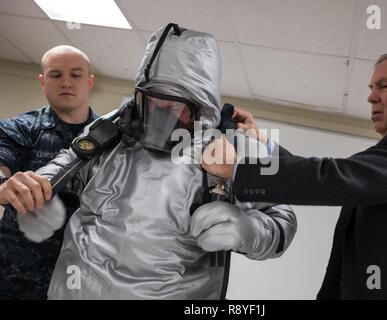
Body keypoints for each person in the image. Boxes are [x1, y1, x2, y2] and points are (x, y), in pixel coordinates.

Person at [25, 24, 296, 299]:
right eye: (153, 101)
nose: (161, 112)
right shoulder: (112, 129)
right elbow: (68, 164)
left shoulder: (231, 150)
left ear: (202, 107)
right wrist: (41, 194)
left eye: (175, 105)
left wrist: (247, 231)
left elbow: (281, 219)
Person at [202, 51, 387, 299]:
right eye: (372, 87)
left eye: (384, 86)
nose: (371, 96)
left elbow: (334, 177)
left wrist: (238, 170)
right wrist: (264, 143)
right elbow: (339, 177)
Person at [0, 45, 97, 299]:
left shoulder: (113, 142)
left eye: (75, 75)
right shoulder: (22, 129)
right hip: (14, 277)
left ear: (89, 81)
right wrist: (3, 183)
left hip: (82, 279)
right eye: (56, 75)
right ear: (43, 82)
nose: (66, 82)